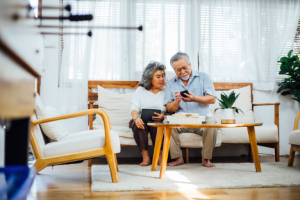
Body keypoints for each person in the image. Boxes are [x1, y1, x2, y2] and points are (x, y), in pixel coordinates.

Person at [164, 52, 218, 168]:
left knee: (212, 122)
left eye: (184, 68)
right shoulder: (170, 84)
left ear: (190, 64)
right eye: (178, 70)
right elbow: (169, 107)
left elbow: (212, 99)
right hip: (181, 121)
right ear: (174, 70)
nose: (182, 72)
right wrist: (176, 102)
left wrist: (194, 98)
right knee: (166, 123)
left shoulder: (204, 77)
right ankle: (178, 158)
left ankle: (206, 158)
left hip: (202, 120)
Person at [129, 61, 166, 166]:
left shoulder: (166, 91)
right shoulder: (141, 90)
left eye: (163, 76)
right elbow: (134, 108)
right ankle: (146, 158)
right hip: (142, 118)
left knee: (157, 125)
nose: (161, 79)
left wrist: (164, 116)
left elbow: (171, 111)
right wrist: (136, 119)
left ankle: (160, 156)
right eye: (158, 76)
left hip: (159, 120)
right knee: (139, 125)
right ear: (149, 78)